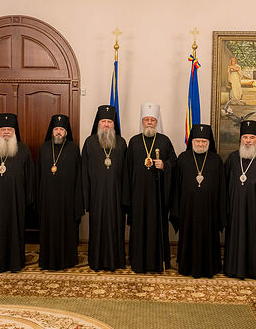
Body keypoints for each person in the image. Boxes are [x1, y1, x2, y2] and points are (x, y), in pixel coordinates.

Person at [122, 102, 177, 273]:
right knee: (139, 228)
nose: (149, 123)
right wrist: (128, 198)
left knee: (156, 227)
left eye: (152, 120)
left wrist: (165, 165)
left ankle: (157, 261)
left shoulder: (164, 141)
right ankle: (138, 261)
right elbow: (127, 170)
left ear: (157, 122)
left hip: (157, 195)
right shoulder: (134, 141)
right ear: (142, 121)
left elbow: (175, 163)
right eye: (146, 120)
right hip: (138, 195)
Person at [0, 113, 35, 272]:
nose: (6, 132)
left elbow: (30, 178)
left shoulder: (23, 150)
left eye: (9, 129)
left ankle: (14, 262)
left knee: (14, 230)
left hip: (15, 202)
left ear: (14, 131)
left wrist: (28, 200)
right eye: (3, 129)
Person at [171, 124, 225, 278]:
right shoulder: (183, 158)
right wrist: (177, 209)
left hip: (210, 209)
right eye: (198, 141)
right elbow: (176, 186)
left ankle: (209, 267)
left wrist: (221, 210)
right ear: (192, 142)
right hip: (188, 209)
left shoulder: (216, 160)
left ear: (209, 142)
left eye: (204, 141)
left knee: (209, 237)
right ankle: (187, 266)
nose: (200, 144)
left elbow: (222, 188)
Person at [223, 120, 256, 279]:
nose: (248, 141)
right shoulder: (232, 158)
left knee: (253, 239)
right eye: (245, 137)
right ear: (240, 139)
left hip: (255, 211)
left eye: (252, 138)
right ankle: (232, 268)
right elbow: (224, 186)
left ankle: (253, 270)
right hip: (235, 210)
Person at [82, 105, 127, 271]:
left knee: (116, 227)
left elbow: (127, 173)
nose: (106, 124)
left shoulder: (121, 143)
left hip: (117, 196)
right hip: (96, 195)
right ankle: (96, 260)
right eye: (103, 121)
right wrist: (86, 198)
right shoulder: (89, 142)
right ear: (98, 123)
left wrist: (125, 198)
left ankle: (116, 261)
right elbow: (83, 172)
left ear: (114, 124)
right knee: (97, 227)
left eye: (109, 121)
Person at [37, 114, 83, 270]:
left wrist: (77, 203)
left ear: (66, 132)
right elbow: (38, 176)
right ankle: (47, 260)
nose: (58, 132)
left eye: (61, 130)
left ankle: (67, 260)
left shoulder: (74, 149)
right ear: (52, 131)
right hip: (47, 200)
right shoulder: (44, 148)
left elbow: (79, 177)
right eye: (56, 129)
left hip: (67, 201)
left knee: (66, 230)